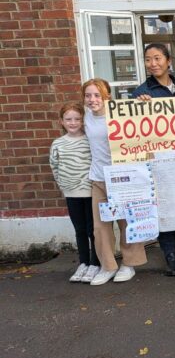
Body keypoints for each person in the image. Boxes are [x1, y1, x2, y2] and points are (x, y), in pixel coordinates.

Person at [132, 43, 175, 277]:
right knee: (164, 207)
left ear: (168, 60)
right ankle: (170, 256)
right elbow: (136, 131)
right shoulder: (142, 92)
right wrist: (137, 107)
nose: (153, 63)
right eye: (148, 59)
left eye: (157, 58)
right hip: (157, 160)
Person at [82, 78, 148, 285]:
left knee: (127, 222)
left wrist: (145, 105)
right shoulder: (86, 117)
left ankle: (130, 263)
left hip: (122, 177)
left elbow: (144, 127)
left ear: (106, 96)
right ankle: (108, 266)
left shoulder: (119, 113)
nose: (92, 100)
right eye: (88, 95)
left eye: (97, 95)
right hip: (99, 178)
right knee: (101, 226)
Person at [49, 102, 98, 283]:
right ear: (61, 121)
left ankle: (95, 262)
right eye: (68, 119)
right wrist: (63, 185)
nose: (73, 122)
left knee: (93, 230)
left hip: (90, 192)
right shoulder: (58, 144)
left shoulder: (89, 140)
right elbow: (54, 166)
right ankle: (83, 262)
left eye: (77, 119)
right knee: (80, 230)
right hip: (71, 193)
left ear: (83, 121)